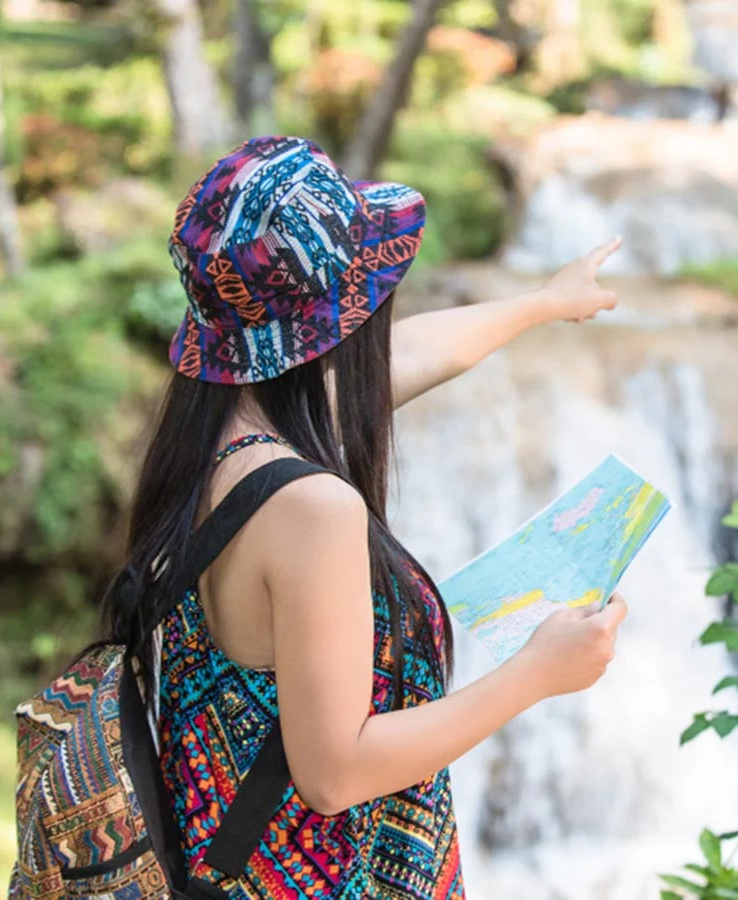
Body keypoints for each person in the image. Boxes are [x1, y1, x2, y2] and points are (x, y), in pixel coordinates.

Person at [99, 135, 630, 899]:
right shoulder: (311, 507)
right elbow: (334, 772)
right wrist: (537, 675)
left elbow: (407, 357)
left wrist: (544, 302)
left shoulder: (213, 442)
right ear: (336, 326)